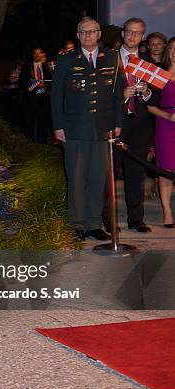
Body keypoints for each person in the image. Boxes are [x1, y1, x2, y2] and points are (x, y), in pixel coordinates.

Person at [51, 17, 124, 241]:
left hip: (102, 128)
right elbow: (56, 95)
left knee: (97, 178)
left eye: (92, 32)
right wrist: (58, 126)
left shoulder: (112, 58)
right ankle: (77, 223)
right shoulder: (66, 60)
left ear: (99, 34)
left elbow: (118, 93)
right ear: (78, 34)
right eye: (83, 32)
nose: (88, 36)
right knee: (76, 177)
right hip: (74, 128)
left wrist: (118, 123)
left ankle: (93, 223)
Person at [103, 17, 154, 233]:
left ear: (143, 37)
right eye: (130, 31)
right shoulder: (109, 59)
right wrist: (120, 96)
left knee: (137, 175)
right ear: (123, 34)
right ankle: (109, 218)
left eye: (138, 32)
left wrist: (148, 93)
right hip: (116, 124)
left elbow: (158, 98)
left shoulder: (148, 63)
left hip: (140, 126)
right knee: (110, 175)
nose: (133, 36)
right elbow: (99, 95)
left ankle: (136, 219)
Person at [148, 37, 175, 227]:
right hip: (166, 125)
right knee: (166, 170)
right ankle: (167, 212)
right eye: (172, 48)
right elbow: (149, 106)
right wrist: (169, 116)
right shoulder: (160, 74)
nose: (174, 51)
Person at [19, 47, 53, 143]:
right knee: (30, 121)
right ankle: (30, 141)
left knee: (43, 120)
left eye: (39, 53)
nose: (38, 55)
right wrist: (36, 83)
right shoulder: (27, 66)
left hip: (44, 97)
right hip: (31, 98)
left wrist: (45, 86)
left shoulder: (46, 66)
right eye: (35, 54)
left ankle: (43, 141)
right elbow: (22, 82)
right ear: (33, 55)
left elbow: (52, 80)